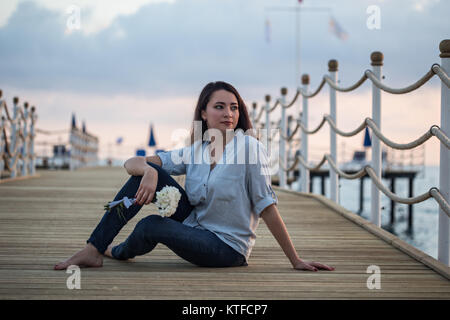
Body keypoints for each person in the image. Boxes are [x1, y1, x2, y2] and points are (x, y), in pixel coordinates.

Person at [54, 81, 334, 272]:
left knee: (152, 225)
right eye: (220, 106)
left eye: (234, 107)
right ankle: (94, 247)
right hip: (194, 225)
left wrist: (295, 259)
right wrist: (151, 171)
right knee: (142, 176)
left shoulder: (249, 147)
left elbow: (266, 206)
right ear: (204, 112)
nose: (229, 113)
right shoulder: (196, 150)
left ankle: (116, 251)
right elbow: (131, 163)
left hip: (226, 247)